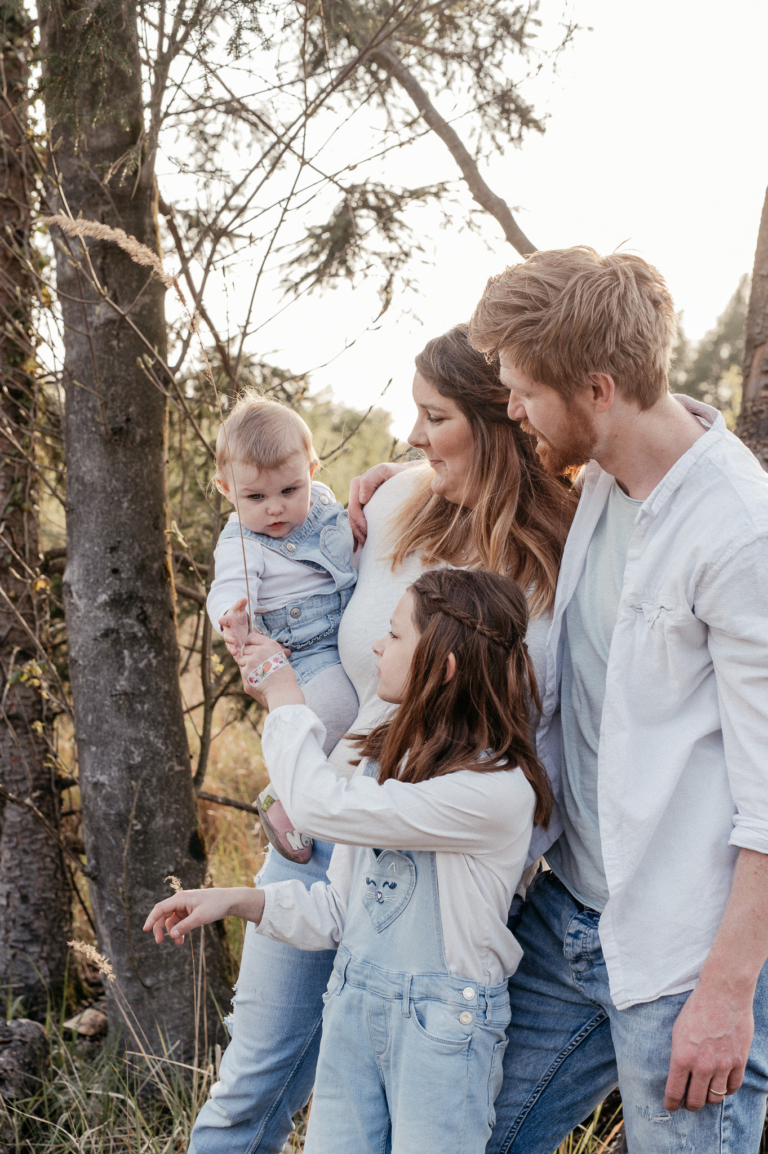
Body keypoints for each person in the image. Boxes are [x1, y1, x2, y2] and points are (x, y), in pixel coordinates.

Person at [186, 324, 575, 1154]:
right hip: (324, 840)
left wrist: (497, 876)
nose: (410, 435)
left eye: (433, 416)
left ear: (501, 414)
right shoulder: (397, 501)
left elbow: (554, 742)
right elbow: (326, 628)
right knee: (252, 1080)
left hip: (441, 876)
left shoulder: (559, 558)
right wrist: (295, 784)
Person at [462, 247, 768, 1153]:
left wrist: (725, 993)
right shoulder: (601, 479)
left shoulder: (739, 530)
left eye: (523, 391)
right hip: (567, 920)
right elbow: (463, 459)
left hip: (683, 952)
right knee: (458, 1131)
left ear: (598, 387)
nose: (511, 411)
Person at [147, 568, 553, 1154]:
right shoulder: (387, 759)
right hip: (354, 1007)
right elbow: (342, 911)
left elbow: (315, 808)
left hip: (440, 1035)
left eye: (393, 636)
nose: (376, 647)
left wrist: (286, 696)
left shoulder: (491, 792)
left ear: (442, 669)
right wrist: (235, 901)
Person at [207, 391, 359, 861]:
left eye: (289, 491)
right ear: (227, 491)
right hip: (301, 654)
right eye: (256, 497)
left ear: (312, 471)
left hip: (347, 629)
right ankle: (284, 797)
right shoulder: (241, 544)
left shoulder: (326, 507)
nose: (274, 508)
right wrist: (232, 618)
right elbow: (228, 588)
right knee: (335, 709)